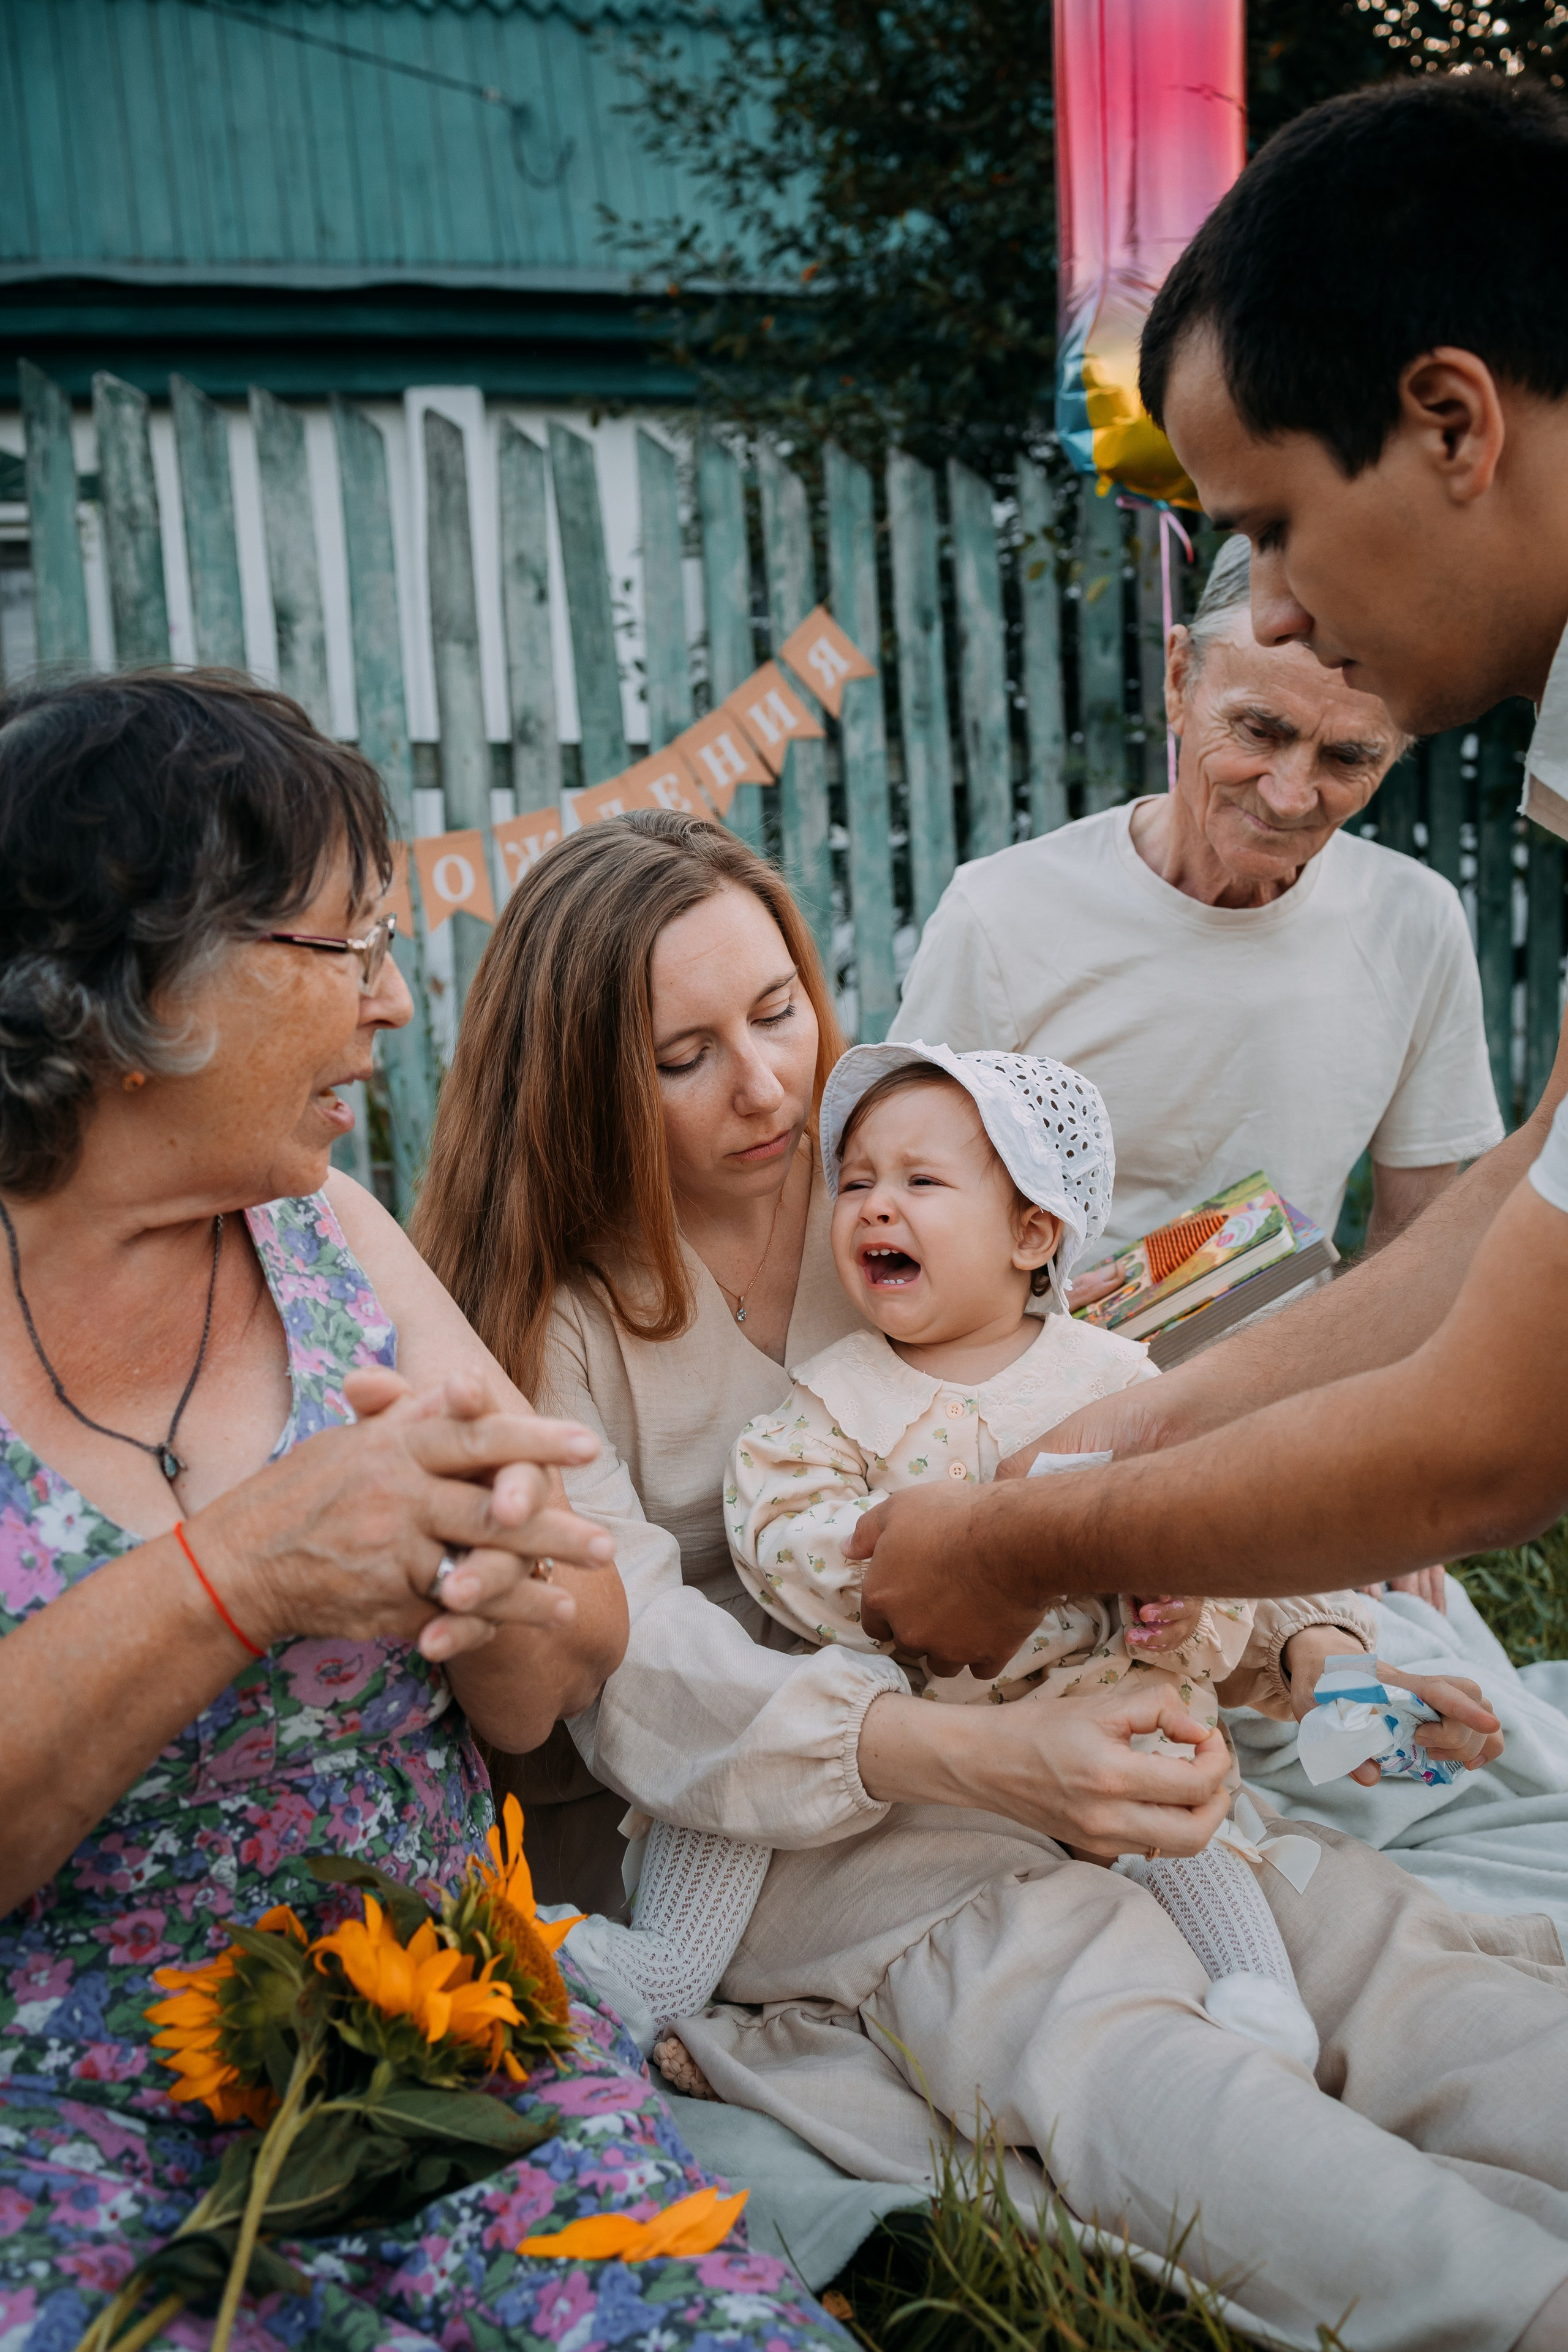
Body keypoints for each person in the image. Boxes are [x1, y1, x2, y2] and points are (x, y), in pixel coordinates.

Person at [416, 807, 1568, 2352]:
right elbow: (634, 1670)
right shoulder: (546, 1319)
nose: (765, 1086)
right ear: (576, 1082)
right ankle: (1512, 2306)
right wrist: (987, 1760)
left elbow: (1103, 1439)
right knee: (1105, 2020)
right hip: (782, 1815)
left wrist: (1314, 1654)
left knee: (1360, 1940)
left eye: (778, 1011)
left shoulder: (903, 1179)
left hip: (1068, 1708)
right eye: (681, 1056)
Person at [0, 673, 845, 2352]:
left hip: (451, 2043)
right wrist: (247, 1571)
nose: (393, 1000)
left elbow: (540, 1688)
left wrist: (517, 1588)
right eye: (347, 946)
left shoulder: (331, 1235)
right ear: (131, 988)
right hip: (60, 2106)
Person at [841, 75, 1568, 1721]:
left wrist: (1021, 1543)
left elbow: (1490, 1437)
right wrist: (1134, 1427)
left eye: (1276, 527)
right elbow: (1520, 1192)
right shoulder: (1008, 908)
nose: (1284, 612)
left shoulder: (1406, 919)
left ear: (1451, 424)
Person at [892, 532, 1499, 1257]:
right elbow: (900, 1199)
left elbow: (1416, 1242)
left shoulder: (1414, 922)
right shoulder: (1000, 912)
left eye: (1346, 757)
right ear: (1179, 680)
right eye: (1259, 731)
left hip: (1303, 1336)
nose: (1288, 795)